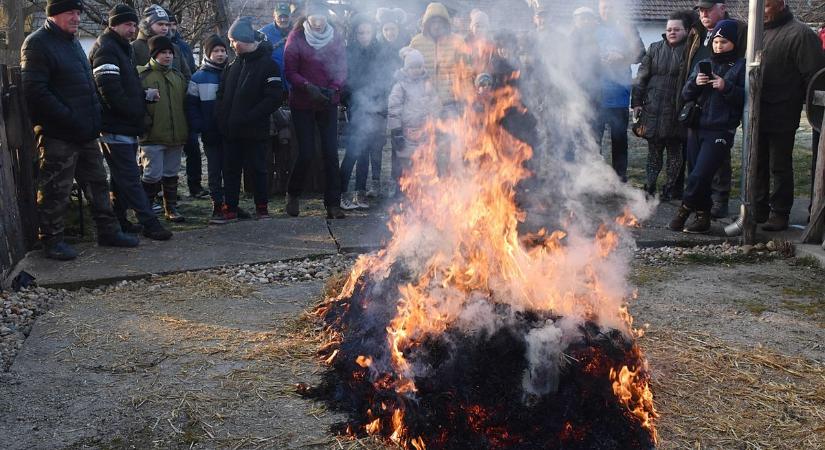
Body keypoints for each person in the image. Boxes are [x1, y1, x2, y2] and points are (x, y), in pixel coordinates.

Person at [21, 0, 138, 260]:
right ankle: (51, 240)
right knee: (56, 189)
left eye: (77, 12)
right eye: (69, 13)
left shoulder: (72, 41)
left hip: (86, 130)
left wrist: (92, 118)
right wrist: (70, 119)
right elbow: (35, 91)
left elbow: (86, 84)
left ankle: (108, 231)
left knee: (97, 182)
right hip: (58, 133)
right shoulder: (37, 43)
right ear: (53, 15)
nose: (75, 18)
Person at [90, 4, 172, 241]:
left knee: (120, 177)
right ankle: (150, 223)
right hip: (116, 125)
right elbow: (109, 91)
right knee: (129, 177)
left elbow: (125, 86)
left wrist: (143, 96)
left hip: (122, 125)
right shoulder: (106, 49)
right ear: (113, 24)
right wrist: (134, 111)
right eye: (128, 24)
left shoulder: (120, 48)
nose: (132, 29)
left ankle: (121, 220)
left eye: (135, 24)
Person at [753, 0, 825, 231]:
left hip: (783, 110)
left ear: (781, 4)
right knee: (757, 163)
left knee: (779, 164)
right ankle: (758, 207)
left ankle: (779, 211)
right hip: (757, 111)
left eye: (765, 6)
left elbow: (814, 78)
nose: (761, 12)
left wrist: (812, 113)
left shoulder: (801, 34)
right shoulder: (757, 34)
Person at [669, 20, 745, 234]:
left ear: (733, 43)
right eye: (716, 41)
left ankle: (684, 209)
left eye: (724, 42)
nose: (719, 46)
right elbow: (685, 94)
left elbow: (747, 99)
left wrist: (725, 86)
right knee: (694, 172)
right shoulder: (704, 63)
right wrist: (696, 83)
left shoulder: (740, 66)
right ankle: (703, 218)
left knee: (700, 175)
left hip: (720, 129)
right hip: (696, 126)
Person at [216, 17, 285, 221]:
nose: (231, 45)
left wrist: (250, 117)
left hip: (255, 130)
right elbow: (221, 94)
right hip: (230, 131)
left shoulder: (268, 65)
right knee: (230, 171)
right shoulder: (232, 65)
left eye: (234, 41)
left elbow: (273, 98)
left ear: (245, 40)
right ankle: (231, 208)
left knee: (258, 169)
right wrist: (221, 118)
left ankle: (261, 207)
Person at [283, 1, 347, 219]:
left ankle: (333, 204)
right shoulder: (297, 38)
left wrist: (333, 89)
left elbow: (341, 67)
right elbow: (290, 71)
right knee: (307, 152)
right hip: (303, 103)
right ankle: (293, 193)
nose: (318, 22)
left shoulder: (335, 37)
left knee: (331, 153)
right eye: (314, 18)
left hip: (328, 102)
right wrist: (307, 87)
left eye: (321, 18)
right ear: (307, 18)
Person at [632, 11, 690, 201]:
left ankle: (669, 189)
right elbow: (641, 78)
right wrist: (637, 103)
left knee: (675, 151)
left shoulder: (690, 51)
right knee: (654, 151)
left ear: (686, 31)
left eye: (676, 29)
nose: (672, 32)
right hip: (653, 108)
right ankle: (649, 187)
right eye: (669, 29)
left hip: (676, 110)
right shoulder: (654, 48)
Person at [138, 35, 189, 223]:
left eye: (170, 53)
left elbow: (185, 104)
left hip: (176, 135)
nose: (168, 56)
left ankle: (171, 208)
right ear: (154, 54)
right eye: (163, 53)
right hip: (152, 135)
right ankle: (146, 208)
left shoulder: (178, 77)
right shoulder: (142, 76)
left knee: (171, 173)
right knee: (152, 174)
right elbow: (136, 105)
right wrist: (145, 123)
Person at [593, 0, 645, 183]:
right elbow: (578, 55)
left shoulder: (627, 29)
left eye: (611, 7)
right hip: (596, 96)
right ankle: (595, 178)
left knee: (619, 141)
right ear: (599, 10)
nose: (607, 11)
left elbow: (641, 54)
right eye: (604, 7)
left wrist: (623, 56)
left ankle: (620, 180)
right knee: (594, 141)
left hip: (619, 96)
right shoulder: (591, 28)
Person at [339, 14, 384, 210]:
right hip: (356, 107)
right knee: (352, 151)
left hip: (374, 108)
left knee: (365, 151)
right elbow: (344, 82)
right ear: (355, 34)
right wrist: (351, 102)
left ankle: (360, 192)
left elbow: (384, 79)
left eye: (367, 32)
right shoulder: (349, 52)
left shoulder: (379, 51)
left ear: (373, 32)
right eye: (360, 33)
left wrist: (378, 105)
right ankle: (341, 193)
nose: (364, 36)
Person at [387, 47, 440, 194]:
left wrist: (433, 122)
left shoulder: (427, 85)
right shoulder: (400, 86)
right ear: (406, 68)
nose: (415, 70)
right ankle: (402, 193)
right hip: (406, 131)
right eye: (412, 67)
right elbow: (394, 109)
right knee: (405, 164)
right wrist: (396, 131)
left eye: (418, 67)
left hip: (424, 130)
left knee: (424, 162)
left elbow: (434, 104)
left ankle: (422, 194)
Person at [188, 35, 228, 224]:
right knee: (214, 170)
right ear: (208, 53)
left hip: (230, 132)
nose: (220, 54)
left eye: (222, 50)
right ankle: (217, 205)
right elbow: (191, 105)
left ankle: (231, 204)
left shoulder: (232, 72)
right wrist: (200, 125)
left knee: (231, 169)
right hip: (210, 131)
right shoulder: (198, 77)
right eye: (216, 51)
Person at [166, 10, 206, 199]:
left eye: (174, 24)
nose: (172, 28)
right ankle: (164, 193)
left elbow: (189, 70)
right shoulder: (152, 45)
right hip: (164, 106)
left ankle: (195, 185)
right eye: (168, 24)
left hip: (185, 102)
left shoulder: (183, 46)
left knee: (193, 147)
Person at [409, 2, 466, 110]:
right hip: (425, 102)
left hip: (451, 102)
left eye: (440, 21)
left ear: (446, 23)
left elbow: (466, 71)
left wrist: (465, 98)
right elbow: (409, 72)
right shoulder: (416, 42)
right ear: (427, 23)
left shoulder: (458, 41)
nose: (436, 25)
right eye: (433, 22)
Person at [131, 5, 191, 79]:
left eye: (167, 24)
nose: (165, 28)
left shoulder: (175, 48)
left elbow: (187, 76)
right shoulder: (134, 47)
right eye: (160, 24)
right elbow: (130, 77)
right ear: (148, 25)